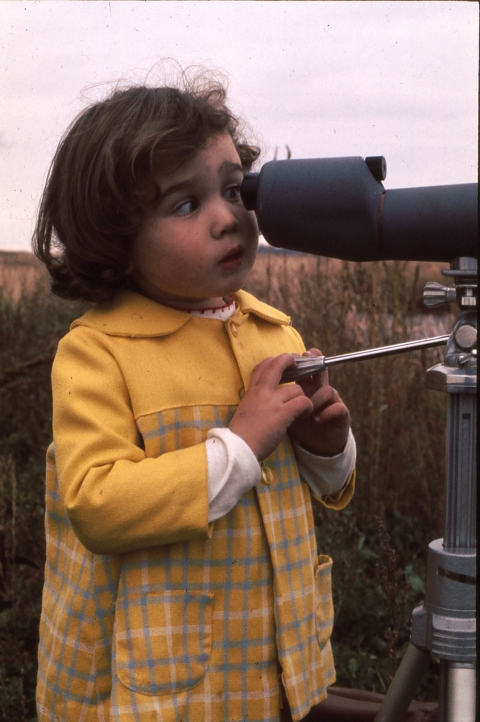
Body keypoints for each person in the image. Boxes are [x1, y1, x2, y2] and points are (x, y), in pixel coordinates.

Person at [34, 72, 356, 722]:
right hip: (151, 691)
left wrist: (329, 450)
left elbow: (303, 485)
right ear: (115, 241)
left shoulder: (274, 333)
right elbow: (97, 504)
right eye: (186, 205)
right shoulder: (99, 351)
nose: (227, 217)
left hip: (274, 673)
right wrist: (239, 445)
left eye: (235, 190)